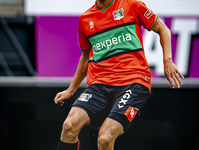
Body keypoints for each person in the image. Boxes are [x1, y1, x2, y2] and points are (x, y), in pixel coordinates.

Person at [54, 0, 184, 149]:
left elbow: (163, 29)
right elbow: (85, 56)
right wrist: (71, 89)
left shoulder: (132, 5)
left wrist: (167, 60)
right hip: (99, 85)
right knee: (69, 125)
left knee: (104, 139)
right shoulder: (85, 19)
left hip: (133, 82)